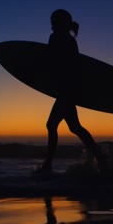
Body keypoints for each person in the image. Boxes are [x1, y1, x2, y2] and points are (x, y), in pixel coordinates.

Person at [35, 9, 103, 174]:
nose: (51, 24)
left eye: (53, 21)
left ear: (60, 22)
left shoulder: (60, 38)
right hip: (69, 89)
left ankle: (48, 165)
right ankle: (101, 158)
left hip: (66, 89)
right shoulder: (68, 39)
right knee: (74, 127)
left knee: (53, 125)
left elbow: (60, 63)